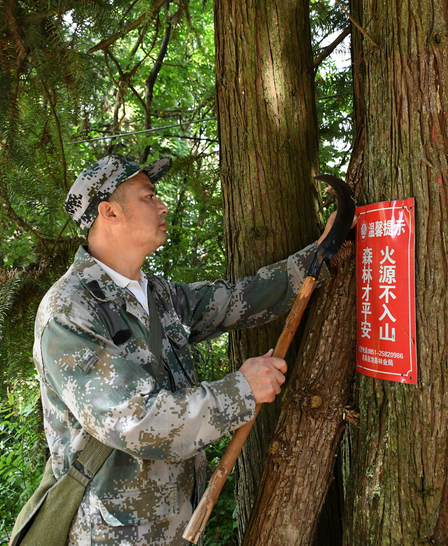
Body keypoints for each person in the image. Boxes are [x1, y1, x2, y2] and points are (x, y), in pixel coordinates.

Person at [33, 154, 334, 545]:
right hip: (115, 536)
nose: (162, 205)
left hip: (180, 524)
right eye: (148, 196)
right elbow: (136, 421)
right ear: (108, 212)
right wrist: (241, 390)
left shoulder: (156, 294)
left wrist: (320, 257)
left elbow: (237, 300)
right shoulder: (68, 313)